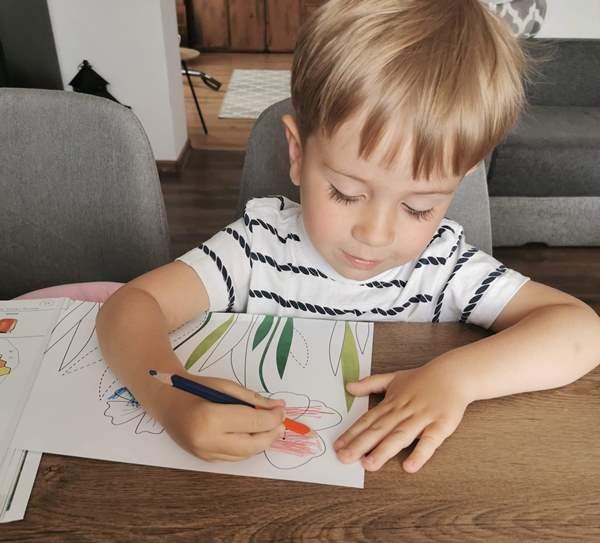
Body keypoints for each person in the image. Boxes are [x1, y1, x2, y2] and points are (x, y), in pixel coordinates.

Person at [97, 0, 600, 473]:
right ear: (298, 153)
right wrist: (166, 395)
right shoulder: (258, 247)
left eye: (418, 206)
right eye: (344, 192)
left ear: (462, 178)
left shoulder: (444, 268)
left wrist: (457, 378)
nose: (374, 234)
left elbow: (581, 331)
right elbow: (132, 305)